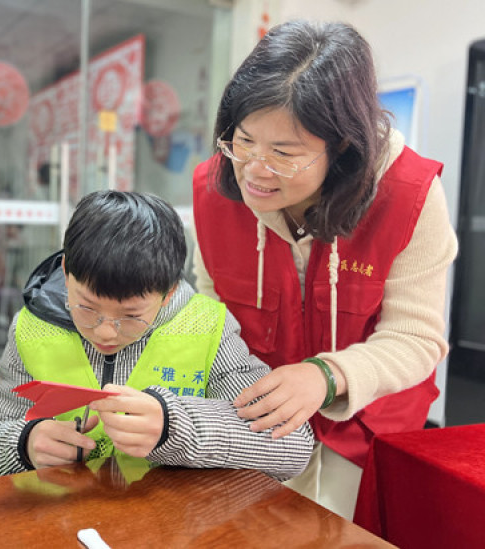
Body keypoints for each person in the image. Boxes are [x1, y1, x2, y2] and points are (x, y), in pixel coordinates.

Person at [191, 20, 458, 519]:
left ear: (341, 150)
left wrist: (327, 376)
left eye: (284, 154)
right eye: (244, 141)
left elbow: (416, 337)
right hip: (257, 422)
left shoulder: (409, 195)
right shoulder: (215, 188)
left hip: (369, 427)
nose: (254, 170)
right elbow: (212, 307)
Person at [0, 190, 313, 480]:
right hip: (66, 522)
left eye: (131, 316)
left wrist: (174, 428)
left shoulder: (207, 327)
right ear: (66, 272)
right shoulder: (32, 327)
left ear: (168, 292)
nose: (106, 331)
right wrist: (25, 443)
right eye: (87, 308)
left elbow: (291, 445)